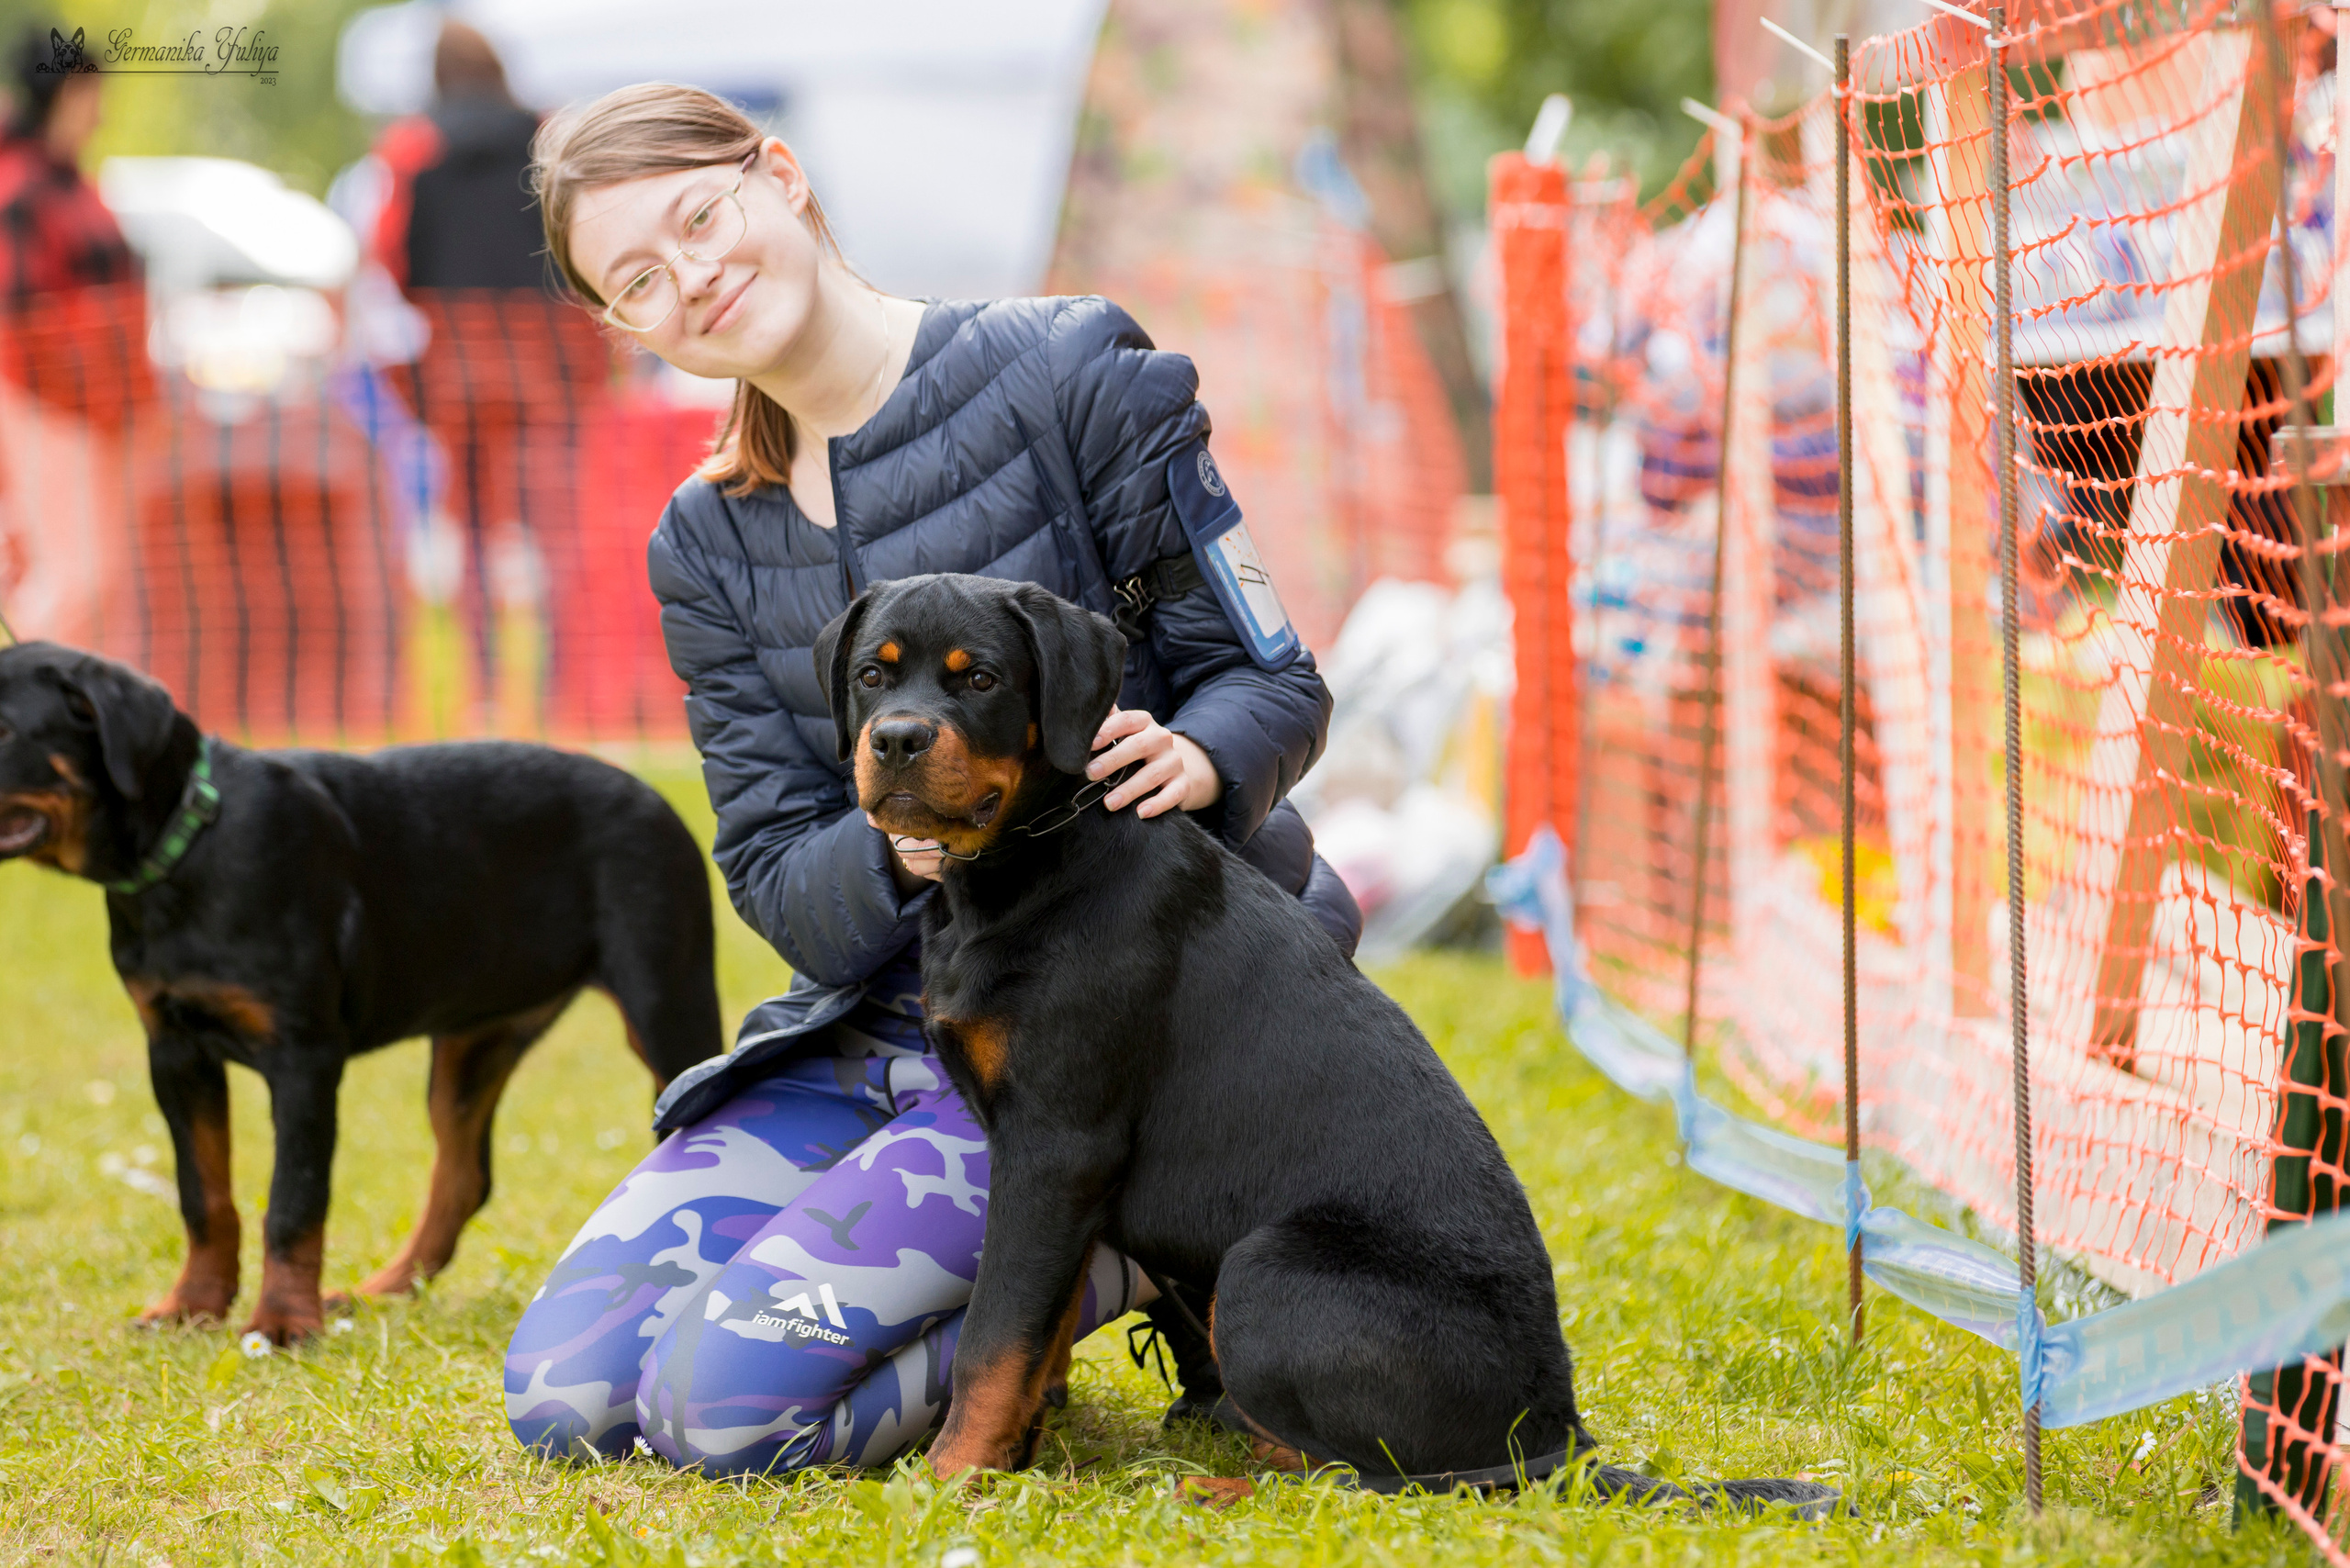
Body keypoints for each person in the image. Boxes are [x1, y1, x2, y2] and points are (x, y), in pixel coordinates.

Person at [502, 82, 1362, 1475]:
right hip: (883, 1032)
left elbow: (1274, 678)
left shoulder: (1073, 371)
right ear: (626, 327)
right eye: (639, 280)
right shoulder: (706, 544)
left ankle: (1141, 1230)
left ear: (778, 174)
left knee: (719, 1416)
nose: (695, 277)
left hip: (1123, 1019)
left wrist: (1203, 754)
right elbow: (779, 865)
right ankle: (1023, 1239)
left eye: (701, 217)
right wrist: (910, 838)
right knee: (571, 1404)